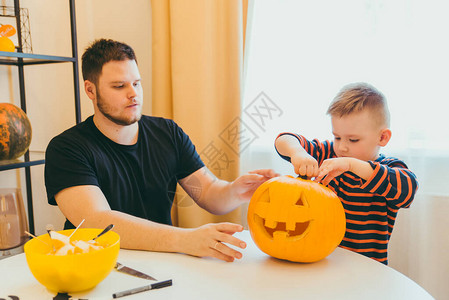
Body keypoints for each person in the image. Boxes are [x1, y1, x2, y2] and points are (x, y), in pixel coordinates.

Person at [44, 38, 278, 262]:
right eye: (119, 86)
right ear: (91, 90)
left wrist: (236, 190)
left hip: (163, 265)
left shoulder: (167, 133)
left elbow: (207, 192)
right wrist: (186, 239)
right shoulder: (66, 149)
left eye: (136, 83)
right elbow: (97, 223)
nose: (133, 93)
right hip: (97, 267)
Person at [274, 82, 418, 264]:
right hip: (320, 262)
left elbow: (408, 189)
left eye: (353, 139)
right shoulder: (327, 154)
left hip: (365, 269)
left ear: (382, 137)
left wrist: (351, 165)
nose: (342, 147)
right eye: (337, 137)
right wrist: (298, 153)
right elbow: (284, 140)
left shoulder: (387, 168)